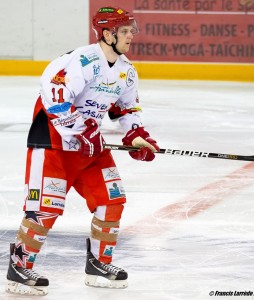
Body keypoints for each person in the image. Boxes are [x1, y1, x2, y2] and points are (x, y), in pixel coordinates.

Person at [6, 6, 160, 296]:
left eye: (130, 30)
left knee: (112, 200)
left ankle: (100, 264)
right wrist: (81, 128)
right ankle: (20, 266)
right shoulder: (81, 60)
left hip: (89, 147)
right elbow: (55, 97)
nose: (130, 36)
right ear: (106, 33)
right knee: (44, 209)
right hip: (52, 142)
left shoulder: (126, 70)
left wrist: (136, 134)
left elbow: (127, 107)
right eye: (124, 31)